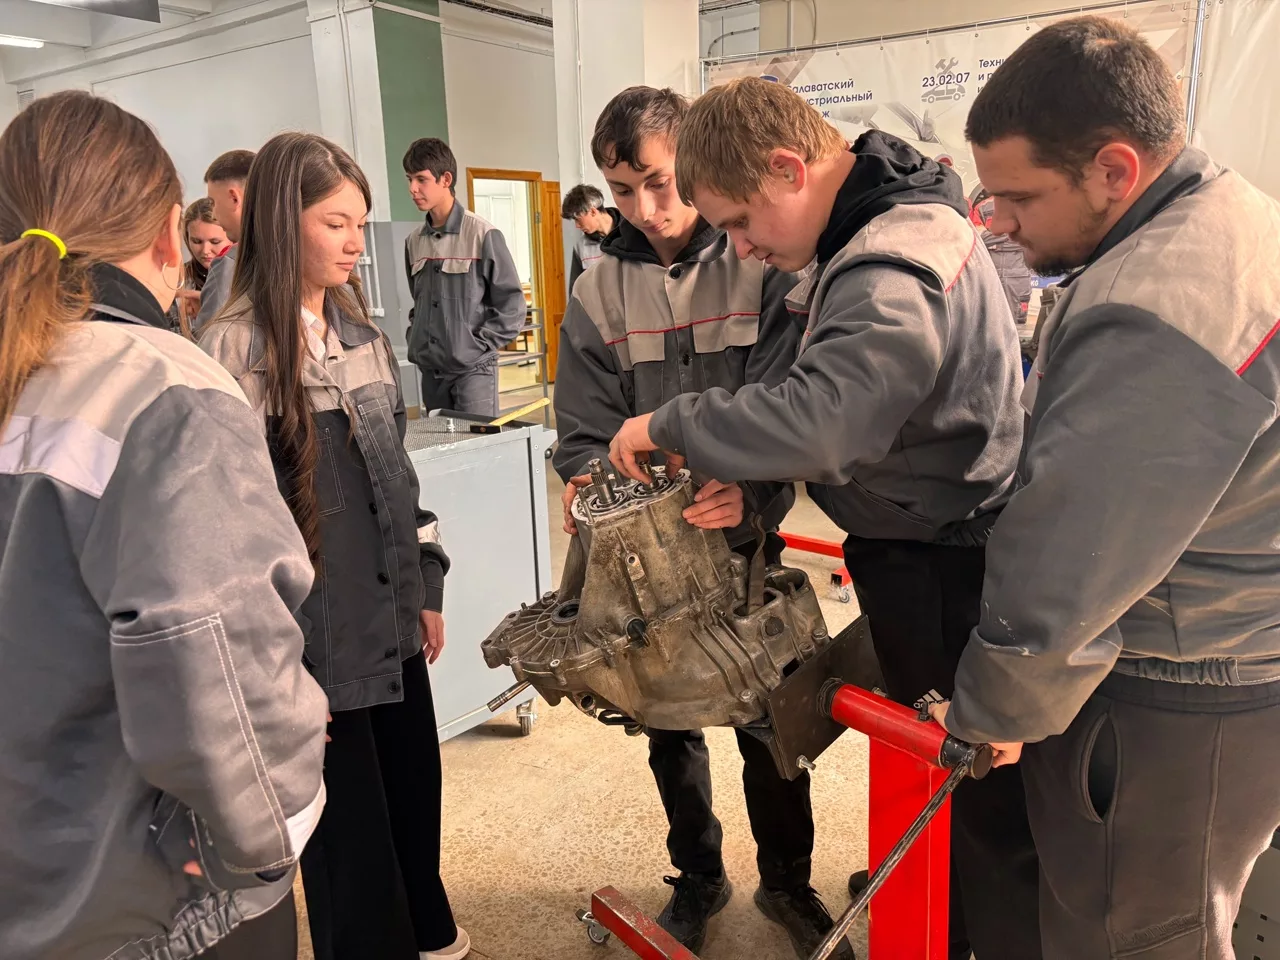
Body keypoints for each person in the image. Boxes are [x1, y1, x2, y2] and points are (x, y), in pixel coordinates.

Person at [607, 77, 1040, 960]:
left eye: (740, 222)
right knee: (941, 769)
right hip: (924, 543)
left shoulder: (887, 263)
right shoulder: (878, 229)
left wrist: (671, 423)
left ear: (787, 168)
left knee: (972, 789)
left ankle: (952, 927)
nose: (742, 246)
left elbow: (823, 419)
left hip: (946, 561)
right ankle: (934, 892)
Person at [929, 17, 1280, 960]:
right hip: (1238, 648)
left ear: (1113, 169)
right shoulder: (1232, 214)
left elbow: (1075, 552)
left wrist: (997, 706)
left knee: (1129, 936)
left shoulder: (1153, 304)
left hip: (1178, 689)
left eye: (1017, 198)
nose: (999, 224)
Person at [0, 92, 328, 960]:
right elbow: (212, 661)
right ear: (164, 235)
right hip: (152, 912)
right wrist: (273, 834)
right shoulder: (160, 392)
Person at [555, 85, 848, 960]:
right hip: (643, 569)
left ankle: (787, 882)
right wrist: (582, 477)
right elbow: (582, 429)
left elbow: (791, 402)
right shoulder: (597, 292)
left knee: (772, 723)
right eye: (623, 191)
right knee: (666, 721)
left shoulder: (761, 259)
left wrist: (750, 492)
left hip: (743, 550)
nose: (647, 209)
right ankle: (698, 876)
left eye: (660, 182)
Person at [200, 132, 468, 960]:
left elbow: (400, 482)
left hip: (389, 621)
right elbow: (228, 532)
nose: (357, 242)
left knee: (413, 796)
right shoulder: (234, 349)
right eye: (336, 223)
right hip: (314, 643)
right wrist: (272, 672)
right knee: (348, 837)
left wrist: (426, 585)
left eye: (360, 222)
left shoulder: (362, 334)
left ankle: (429, 931)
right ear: (284, 223)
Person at [403, 137, 525, 417]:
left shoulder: (483, 235)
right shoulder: (413, 242)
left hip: (473, 372)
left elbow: (512, 306)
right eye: (409, 179)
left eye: (421, 179)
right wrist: (416, 337)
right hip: (431, 372)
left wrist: (475, 345)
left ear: (446, 179)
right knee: (442, 442)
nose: (412, 189)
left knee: (478, 440)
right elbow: (418, 303)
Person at [195, 147, 255, 336]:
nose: (213, 214)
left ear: (234, 198)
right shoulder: (299, 252)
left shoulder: (230, 263)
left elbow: (207, 340)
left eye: (213, 203)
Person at [168, 197, 228, 337]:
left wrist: (211, 309)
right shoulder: (176, 280)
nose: (205, 250)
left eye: (215, 242)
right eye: (196, 241)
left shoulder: (246, 279)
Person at [560, 182, 618, 292]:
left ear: (593, 211)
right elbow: (575, 290)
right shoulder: (581, 247)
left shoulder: (632, 232)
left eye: (578, 219)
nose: (577, 226)